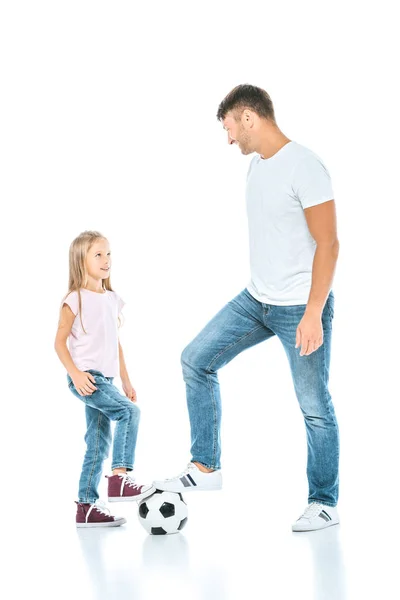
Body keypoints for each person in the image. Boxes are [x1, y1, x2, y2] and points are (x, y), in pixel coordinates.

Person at [153, 84, 340, 532]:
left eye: (230, 127)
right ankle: (206, 467)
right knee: (196, 360)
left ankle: (324, 502)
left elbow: (329, 244)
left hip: (299, 306)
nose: (229, 138)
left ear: (249, 117)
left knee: (313, 405)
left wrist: (314, 311)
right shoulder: (256, 168)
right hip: (257, 300)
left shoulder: (305, 166)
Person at [54, 230, 155, 528]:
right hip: (88, 378)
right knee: (128, 412)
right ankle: (120, 478)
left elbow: (115, 344)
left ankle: (86, 507)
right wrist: (75, 374)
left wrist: (126, 381)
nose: (106, 259)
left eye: (108, 253)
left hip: (108, 380)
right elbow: (59, 342)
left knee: (97, 443)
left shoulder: (112, 299)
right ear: (80, 261)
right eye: (98, 254)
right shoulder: (75, 299)